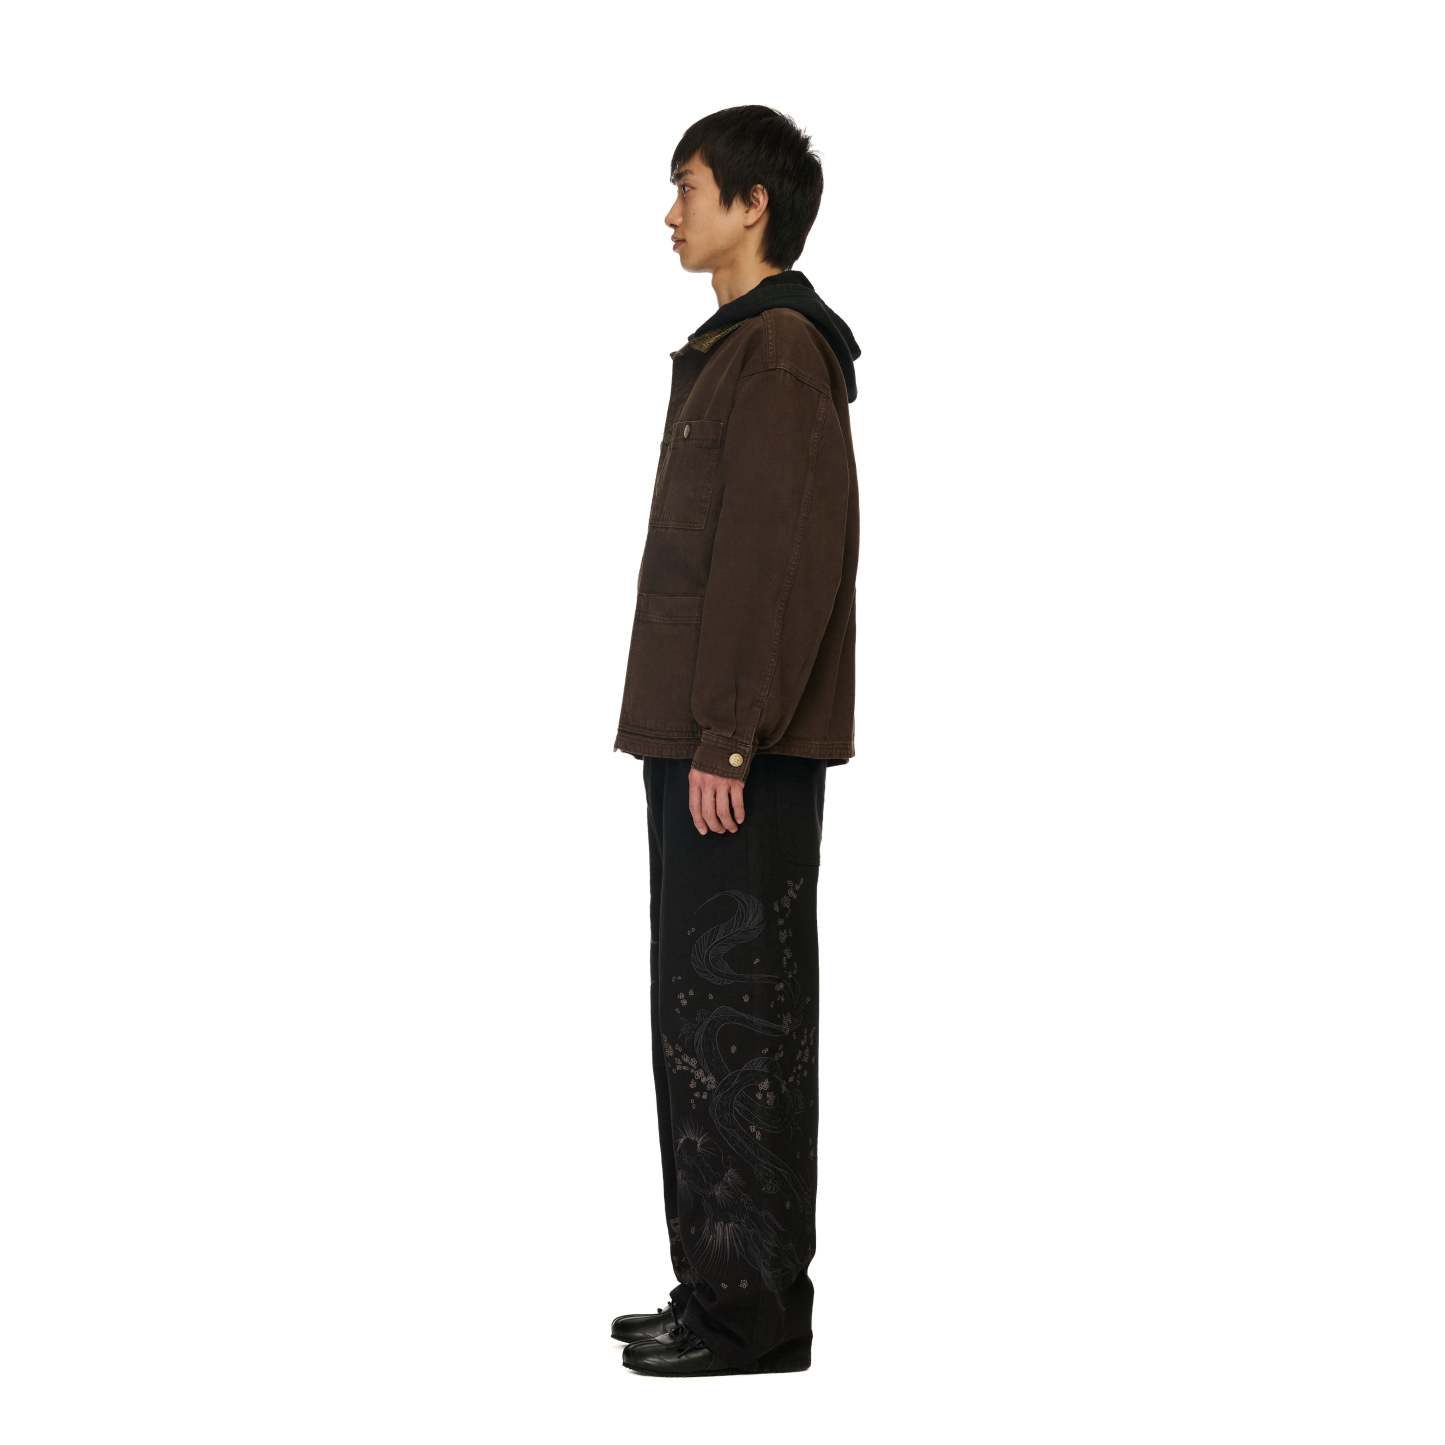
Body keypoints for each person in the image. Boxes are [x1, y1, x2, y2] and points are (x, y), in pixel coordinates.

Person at [610, 105, 862, 1378]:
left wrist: (726, 737)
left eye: (689, 187)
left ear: (752, 204)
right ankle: (715, 1283)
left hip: (736, 755)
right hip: (708, 740)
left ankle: (752, 1315)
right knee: (698, 1010)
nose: (671, 213)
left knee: (738, 1016)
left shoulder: (776, 352)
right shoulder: (734, 348)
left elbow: (776, 557)